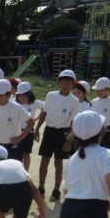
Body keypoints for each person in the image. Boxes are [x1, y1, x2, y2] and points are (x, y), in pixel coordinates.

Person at [35, 69, 79, 202]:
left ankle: (56, 190)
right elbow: (44, 113)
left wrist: (69, 140)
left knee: (58, 162)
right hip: (49, 131)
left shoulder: (74, 101)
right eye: (63, 82)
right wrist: (37, 129)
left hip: (63, 133)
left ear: (73, 84)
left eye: (68, 82)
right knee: (44, 159)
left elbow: (73, 122)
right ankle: (41, 187)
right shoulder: (51, 95)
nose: (65, 85)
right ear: (58, 83)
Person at [0, 79, 34, 163]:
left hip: (14, 147)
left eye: (1, 95)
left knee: (14, 172)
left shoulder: (16, 107)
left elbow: (31, 122)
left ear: (9, 95)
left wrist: (19, 138)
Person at [15, 81, 44, 172]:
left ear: (29, 94)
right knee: (16, 153)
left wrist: (38, 117)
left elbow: (45, 108)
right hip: (16, 130)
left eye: (24, 95)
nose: (21, 98)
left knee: (26, 153)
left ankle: (25, 172)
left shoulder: (34, 103)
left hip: (28, 131)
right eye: (19, 95)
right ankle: (16, 171)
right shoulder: (13, 102)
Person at [91, 77, 110, 150]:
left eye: (101, 90)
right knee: (96, 150)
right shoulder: (94, 101)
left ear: (108, 89)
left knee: (107, 151)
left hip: (108, 130)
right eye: (97, 90)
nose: (98, 92)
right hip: (96, 129)